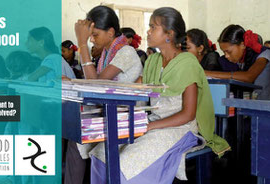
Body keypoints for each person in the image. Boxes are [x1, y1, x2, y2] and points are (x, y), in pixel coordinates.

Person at [89, 7, 230, 183]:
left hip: (181, 128)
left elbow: (188, 114)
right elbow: (135, 88)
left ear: (169, 34)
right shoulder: (153, 61)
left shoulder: (187, 63)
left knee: (127, 163)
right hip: (153, 122)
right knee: (101, 152)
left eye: (153, 27)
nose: (148, 31)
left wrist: (150, 126)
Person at [65, 5, 143, 184]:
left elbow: (96, 86)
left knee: (76, 136)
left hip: (125, 119)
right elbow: (96, 82)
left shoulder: (126, 52)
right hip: (110, 113)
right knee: (73, 133)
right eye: (90, 36)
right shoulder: (107, 54)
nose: (92, 40)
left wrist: (82, 43)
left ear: (111, 32)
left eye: (95, 35)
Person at [206, 24, 270, 101]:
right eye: (224, 52)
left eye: (228, 52)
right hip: (241, 106)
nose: (226, 56)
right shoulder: (225, 61)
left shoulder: (263, 53)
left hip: (265, 106)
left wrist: (208, 73)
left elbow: (249, 76)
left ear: (242, 45)